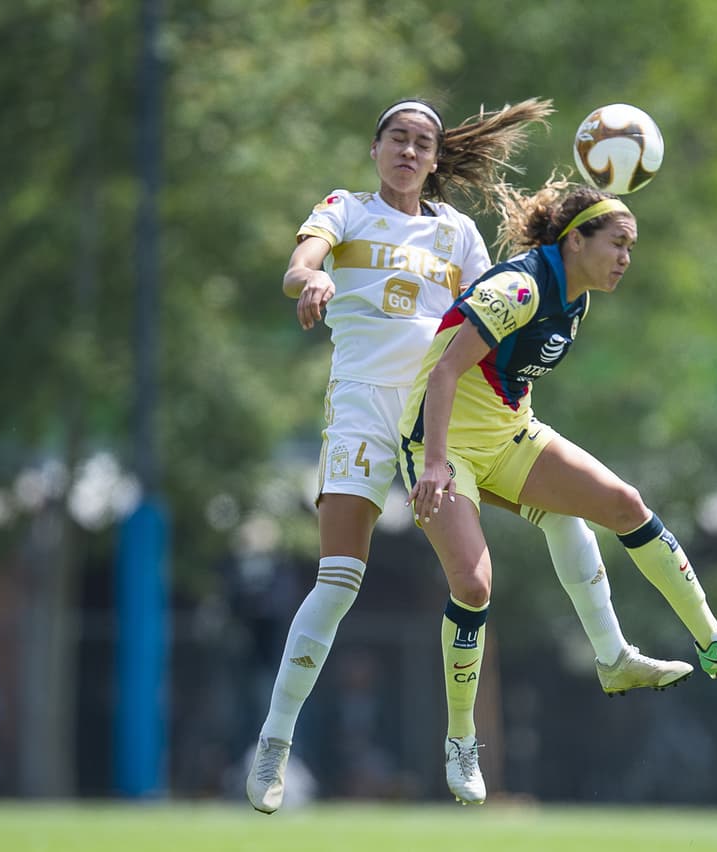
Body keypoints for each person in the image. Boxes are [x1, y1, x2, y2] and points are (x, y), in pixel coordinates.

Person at [247, 99, 692, 813]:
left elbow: (488, 316)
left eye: (423, 142)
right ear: (376, 147)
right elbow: (299, 266)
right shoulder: (346, 209)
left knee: (558, 511)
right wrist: (315, 280)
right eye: (398, 137)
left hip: (443, 418)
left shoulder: (455, 233)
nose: (410, 151)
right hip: (365, 406)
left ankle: (611, 655)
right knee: (337, 581)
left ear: (434, 157)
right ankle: (275, 742)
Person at [399, 180, 717, 805]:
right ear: (575, 241)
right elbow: (444, 371)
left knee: (625, 504)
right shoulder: (518, 287)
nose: (626, 257)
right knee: (473, 584)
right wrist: (436, 462)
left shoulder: (577, 297)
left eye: (632, 246)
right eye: (618, 243)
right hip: (440, 446)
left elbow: (509, 379)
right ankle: (461, 742)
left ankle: (712, 642)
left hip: (507, 435)